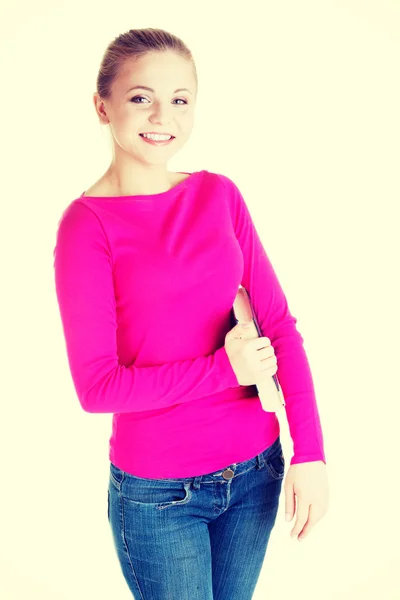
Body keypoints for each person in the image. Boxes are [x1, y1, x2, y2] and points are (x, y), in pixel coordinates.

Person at [53, 27, 329, 600]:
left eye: (180, 99)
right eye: (140, 97)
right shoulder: (87, 228)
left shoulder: (218, 195)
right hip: (159, 496)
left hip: (257, 472)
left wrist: (311, 452)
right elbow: (97, 388)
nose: (162, 115)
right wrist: (226, 370)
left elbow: (279, 326)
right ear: (101, 106)